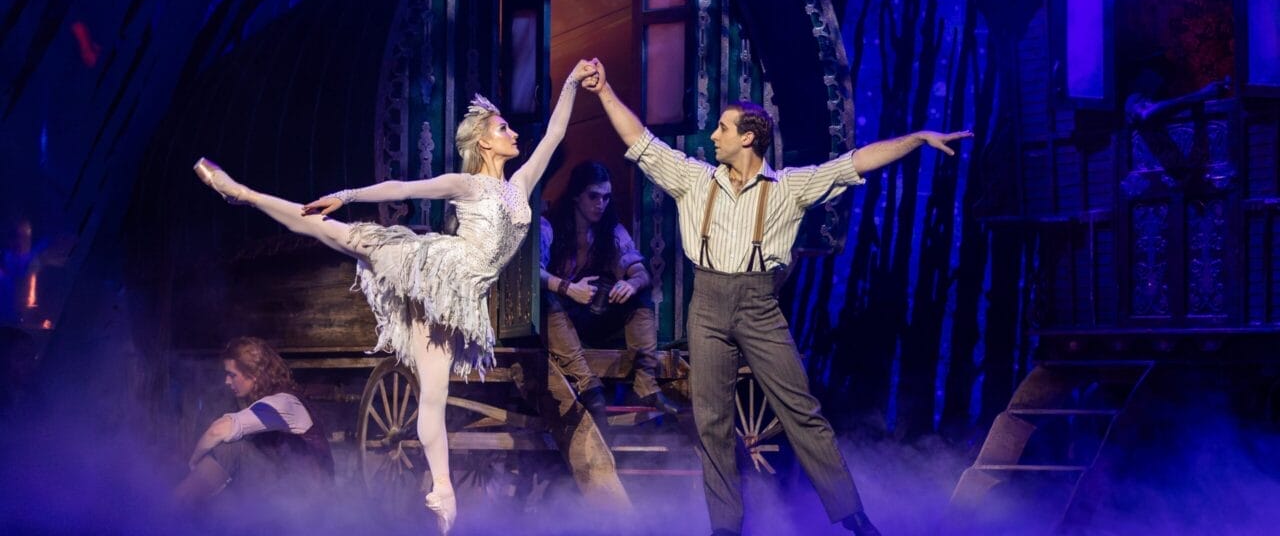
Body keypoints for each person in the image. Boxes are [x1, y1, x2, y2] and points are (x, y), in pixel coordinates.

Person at [193, 60, 599, 534]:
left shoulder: (521, 185)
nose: (513, 133)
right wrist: (346, 194)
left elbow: (554, 133)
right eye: (503, 127)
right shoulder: (468, 184)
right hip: (430, 267)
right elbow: (403, 186)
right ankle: (242, 193)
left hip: (460, 298)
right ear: (485, 142)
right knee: (339, 234)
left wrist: (572, 81)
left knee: (434, 396)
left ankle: (443, 496)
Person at [583, 59, 971, 536]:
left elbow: (856, 161)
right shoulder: (694, 178)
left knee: (802, 411)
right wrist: (604, 92)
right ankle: (725, 528)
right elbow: (638, 139)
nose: (714, 136)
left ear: (748, 137)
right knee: (712, 422)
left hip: (759, 305)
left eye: (723, 129)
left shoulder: (789, 187)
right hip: (706, 304)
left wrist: (916, 139)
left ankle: (854, 516)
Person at [539, 161, 678, 426]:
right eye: (593, 196)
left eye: (605, 197)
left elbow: (641, 272)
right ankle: (588, 385)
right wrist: (569, 288)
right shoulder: (550, 226)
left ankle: (646, 384)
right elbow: (535, 273)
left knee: (640, 295)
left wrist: (631, 284)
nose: (600, 204)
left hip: (594, 317)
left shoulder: (611, 230)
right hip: (562, 319)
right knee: (546, 299)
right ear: (577, 195)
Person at [175, 337, 334, 509]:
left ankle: (173, 508)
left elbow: (218, 431)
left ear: (254, 374)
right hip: (286, 489)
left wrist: (192, 463)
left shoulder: (284, 403)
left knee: (231, 448)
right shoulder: (267, 404)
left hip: (309, 499)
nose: (227, 381)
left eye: (232, 375)